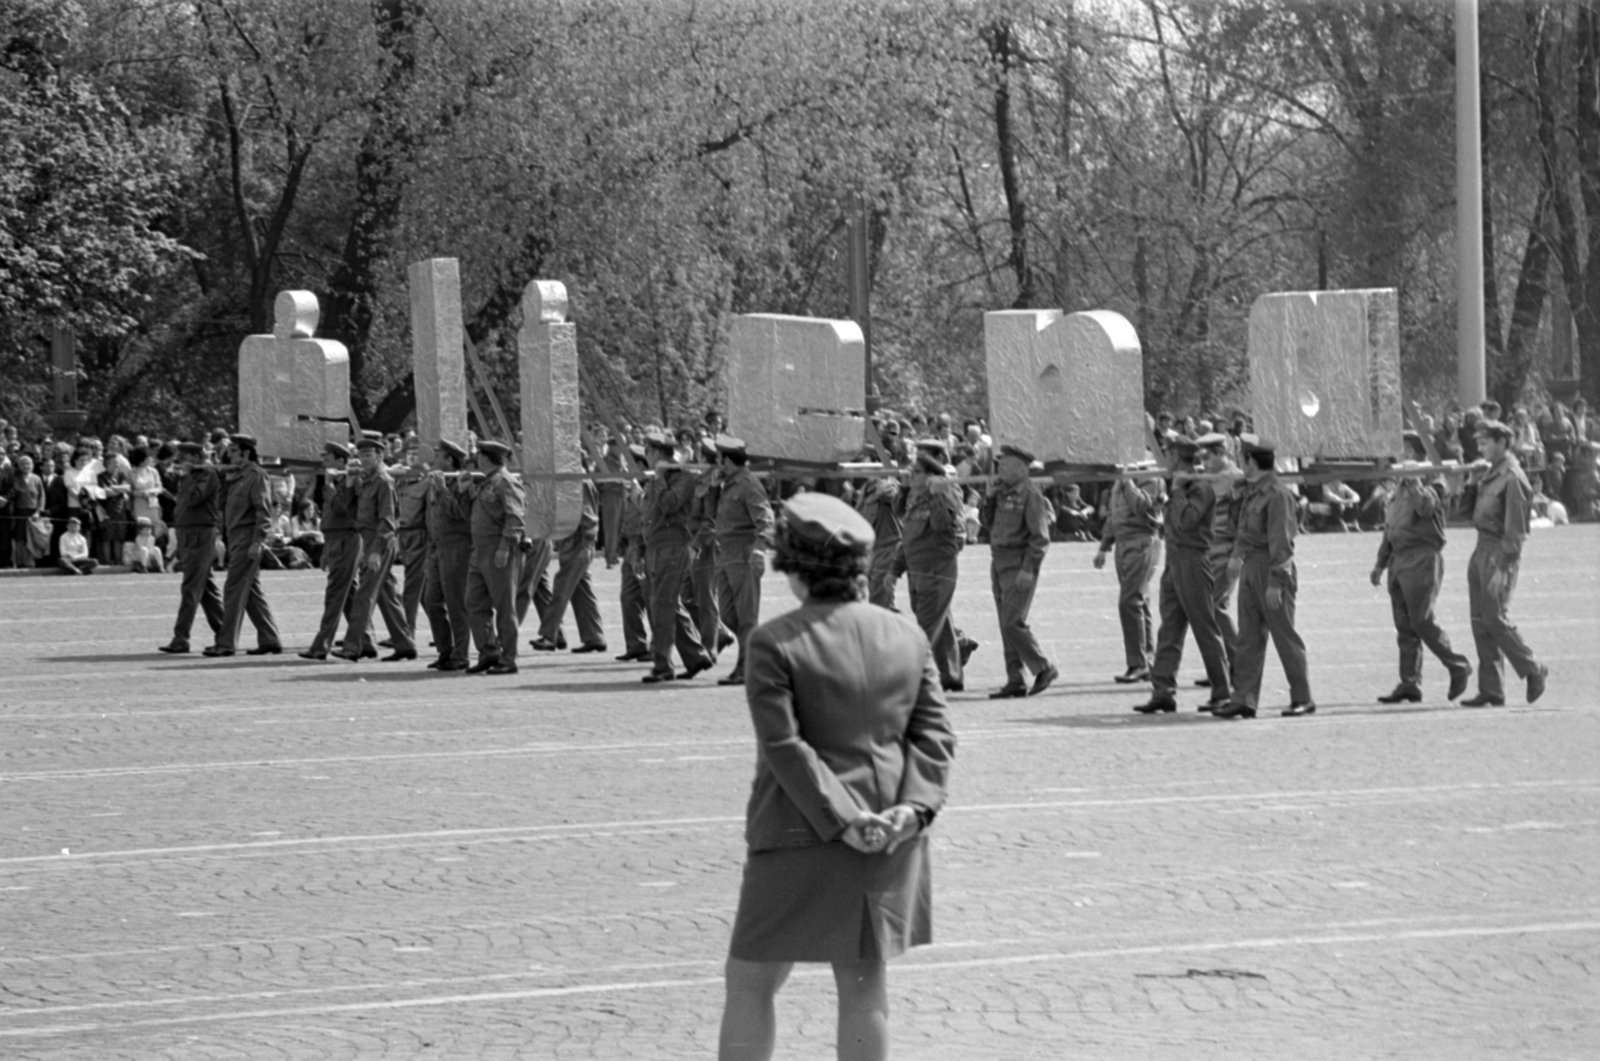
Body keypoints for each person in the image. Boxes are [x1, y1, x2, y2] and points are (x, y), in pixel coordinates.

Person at [717, 492, 955, 1061]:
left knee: (750, 981)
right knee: (863, 986)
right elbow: (935, 736)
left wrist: (843, 819)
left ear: (794, 570)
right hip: (891, 834)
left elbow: (785, 747)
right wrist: (912, 810)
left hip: (798, 831)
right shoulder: (907, 636)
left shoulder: (773, 642)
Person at [1214, 436, 1315, 718]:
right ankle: (1244, 699)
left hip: (1271, 568)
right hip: (1251, 568)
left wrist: (1276, 582)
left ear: (1252, 462)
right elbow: (1243, 531)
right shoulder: (1251, 492)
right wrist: (1236, 556)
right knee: (1248, 638)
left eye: (1243, 459)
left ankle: (1302, 697)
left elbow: (1282, 543)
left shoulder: (1277, 495)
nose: (1240, 465)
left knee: (1285, 637)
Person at [1369, 442, 1473, 705]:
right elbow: (1390, 528)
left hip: (1422, 557)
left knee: (1421, 621)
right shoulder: (1399, 488)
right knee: (1405, 627)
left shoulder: (1434, 482)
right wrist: (1380, 563)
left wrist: (1414, 479)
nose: (1398, 458)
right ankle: (1409, 682)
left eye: (1404, 452)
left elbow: (1426, 508)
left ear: (1416, 455)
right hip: (1399, 559)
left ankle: (1457, 665)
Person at [1135, 436, 1233, 714]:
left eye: (1167, 455)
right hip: (1174, 561)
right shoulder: (1179, 485)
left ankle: (1222, 692)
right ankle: (1163, 691)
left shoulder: (1201, 489)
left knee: (1205, 628)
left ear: (1177, 458)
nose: (1163, 461)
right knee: (1169, 630)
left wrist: (1177, 493)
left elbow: (1188, 522)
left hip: (1193, 560)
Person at [1461, 420, 1549, 706]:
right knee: (1480, 621)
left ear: (1502, 442)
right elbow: (1465, 514)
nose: (1481, 447)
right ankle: (1492, 689)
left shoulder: (1513, 477)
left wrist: (1502, 566)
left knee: (1494, 617)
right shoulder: (1490, 474)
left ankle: (1533, 667)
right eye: (1479, 442)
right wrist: (1472, 482)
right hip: (1480, 549)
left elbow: (1517, 531)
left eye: (1486, 442)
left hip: (1499, 552)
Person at [981, 444, 1058, 698]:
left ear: (1022, 469)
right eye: (999, 464)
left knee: (1013, 622)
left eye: (1005, 465)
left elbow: (1040, 538)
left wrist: (1028, 569)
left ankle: (1043, 667)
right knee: (1006, 624)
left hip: (1018, 563)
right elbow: (987, 525)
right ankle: (1015, 678)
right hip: (999, 561)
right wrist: (990, 497)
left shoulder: (1031, 494)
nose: (1000, 469)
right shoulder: (1002, 493)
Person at [640, 430, 714, 683]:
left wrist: (659, 479)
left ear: (659, 454)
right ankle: (695, 655)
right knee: (669, 604)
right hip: (654, 547)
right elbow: (648, 514)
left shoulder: (682, 479)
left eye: (649, 452)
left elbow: (670, 505)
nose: (646, 456)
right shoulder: (656, 478)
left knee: (662, 606)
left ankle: (663, 665)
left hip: (672, 547)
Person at [338, 438, 417, 663]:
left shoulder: (383, 481)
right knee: (388, 596)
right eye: (361, 456)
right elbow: (354, 515)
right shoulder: (367, 481)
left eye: (368, 455)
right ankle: (405, 644)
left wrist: (376, 551)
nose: (363, 460)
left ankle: (353, 646)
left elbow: (388, 520)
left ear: (380, 457)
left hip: (379, 542)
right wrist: (350, 486)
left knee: (364, 595)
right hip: (369, 539)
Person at [204, 434, 282, 657]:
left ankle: (226, 642)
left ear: (246, 453)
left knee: (234, 589)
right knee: (250, 592)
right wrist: (227, 479)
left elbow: (264, 512)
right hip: (236, 537)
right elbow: (223, 505)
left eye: (234, 451)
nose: (229, 454)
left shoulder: (256, 475)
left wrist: (258, 541)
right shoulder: (238, 476)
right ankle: (270, 639)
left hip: (248, 538)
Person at [900, 439, 967, 691]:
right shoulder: (917, 492)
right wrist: (906, 489)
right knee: (940, 621)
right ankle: (950, 673)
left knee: (928, 624)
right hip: (918, 564)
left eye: (923, 460)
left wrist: (937, 494)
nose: (913, 469)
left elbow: (946, 524)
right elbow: (906, 524)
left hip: (936, 564)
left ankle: (915, 679)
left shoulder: (946, 487)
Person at [712, 435, 775, 686]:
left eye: (718, 459)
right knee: (728, 615)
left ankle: (746, 667)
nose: (716, 463)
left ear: (727, 460)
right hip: (725, 554)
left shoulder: (749, 485)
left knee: (747, 615)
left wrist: (760, 548)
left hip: (743, 555)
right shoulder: (728, 484)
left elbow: (766, 520)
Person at [461, 439, 526, 675]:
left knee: (504, 606)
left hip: (499, 551)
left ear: (486, 458)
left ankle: (508, 657)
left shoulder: (506, 482)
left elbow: (515, 518)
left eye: (479, 455)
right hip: (480, 552)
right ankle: (488, 652)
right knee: (474, 601)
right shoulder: (487, 482)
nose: (477, 459)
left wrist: (504, 547)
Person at [532, 450, 607, 654]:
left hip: (579, 542)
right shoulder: (569, 479)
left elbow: (588, 515)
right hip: (570, 542)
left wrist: (586, 543)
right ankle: (594, 636)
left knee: (561, 587)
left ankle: (549, 636)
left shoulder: (579, 480)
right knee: (582, 591)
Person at [1093, 469, 1164, 683]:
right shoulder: (1121, 478)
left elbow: (1142, 507)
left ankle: (1138, 663)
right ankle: (1147, 661)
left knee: (1129, 601)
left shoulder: (1152, 476)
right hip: (1123, 543)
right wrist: (1104, 546)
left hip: (1142, 540)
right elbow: (1114, 515)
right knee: (1138, 602)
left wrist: (1128, 482)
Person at [420, 439, 474, 671]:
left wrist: (443, 489)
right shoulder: (436, 482)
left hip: (457, 548)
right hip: (437, 548)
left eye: (438, 455)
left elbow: (460, 513)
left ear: (449, 459)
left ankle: (460, 654)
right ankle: (445, 649)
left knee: (456, 603)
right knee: (430, 599)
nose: (433, 460)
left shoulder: (460, 482)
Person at [614, 443, 653, 662]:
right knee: (628, 598)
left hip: (644, 548)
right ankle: (636, 644)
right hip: (631, 547)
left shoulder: (649, 488)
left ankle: (659, 647)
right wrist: (621, 539)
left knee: (651, 599)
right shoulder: (633, 488)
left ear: (638, 464)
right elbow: (628, 516)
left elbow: (645, 516)